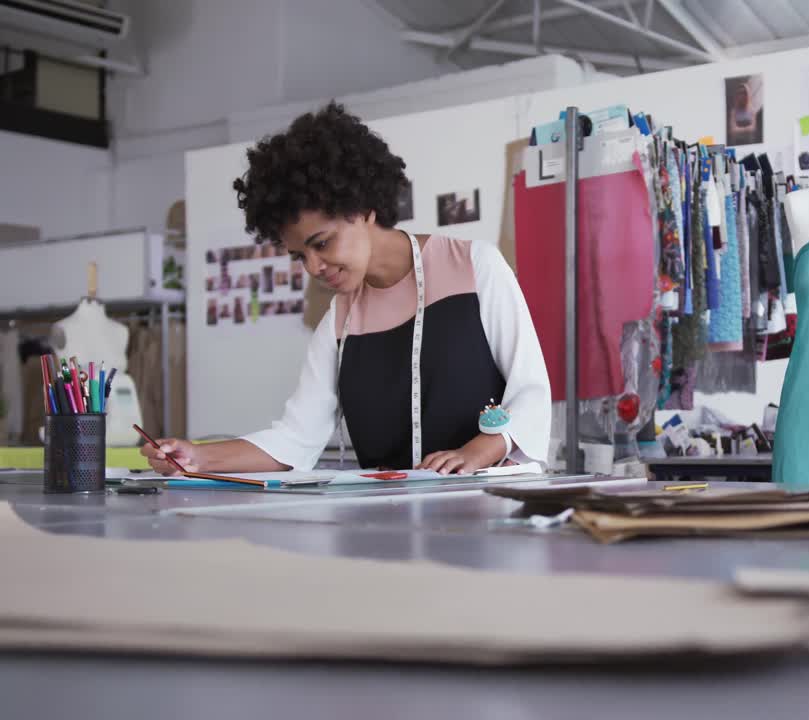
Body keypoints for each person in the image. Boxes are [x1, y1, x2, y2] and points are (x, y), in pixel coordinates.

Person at [142, 102, 551, 476]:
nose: (314, 267)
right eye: (300, 256)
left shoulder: (474, 267)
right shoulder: (340, 322)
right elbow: (295, 439)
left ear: (363, 208)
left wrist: (475, 453)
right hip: (392, 520)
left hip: (485, 503)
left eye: (321, 244)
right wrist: (196, 456)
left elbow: (531, 392)